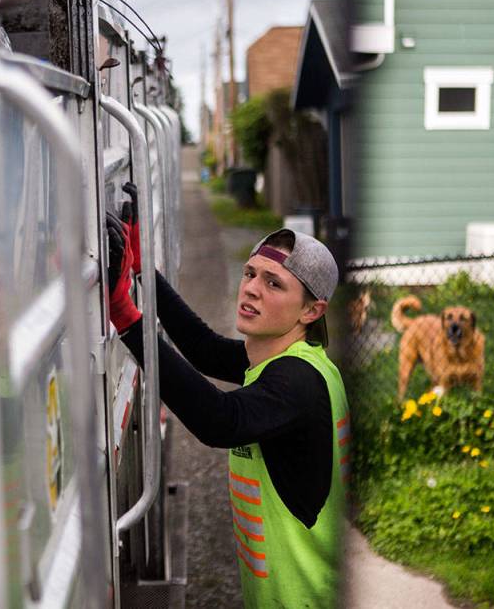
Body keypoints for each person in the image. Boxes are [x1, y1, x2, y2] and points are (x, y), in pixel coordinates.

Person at [106, 211, 350, 609]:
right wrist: (140, 270)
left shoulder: (297, 384)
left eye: (274, 283)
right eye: (250, 273)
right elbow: (206, 350)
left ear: (312, 311)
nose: (252, 289)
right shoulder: (288, 358)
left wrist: (126, 318)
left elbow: (219, 421)